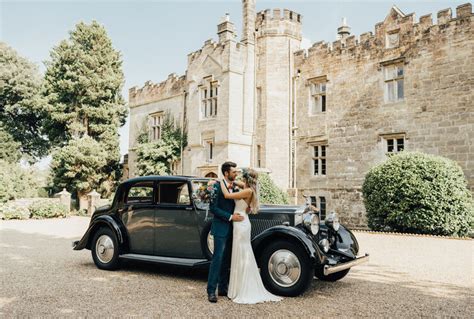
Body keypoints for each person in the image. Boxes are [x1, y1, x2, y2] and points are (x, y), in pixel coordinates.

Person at [220, 168, 283, 304]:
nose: (241, 179)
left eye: (243, 178)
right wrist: (233, 183)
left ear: (247, 179)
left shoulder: (248, 191)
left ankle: (243, 287)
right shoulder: (247, 188)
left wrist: (221, 182)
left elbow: (227, 195)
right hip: (242, 222)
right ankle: (237, 286)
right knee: (241, 252)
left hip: (240, 223)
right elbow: (237, 183)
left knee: (242, 253)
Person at [206, 161, 244, 303]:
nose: (236, 174)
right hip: (221, 226)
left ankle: (223, 288)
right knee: (218, 258)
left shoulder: (235, 186)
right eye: (234, 172)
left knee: (227, 259)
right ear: (226, 173)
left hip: (234, 229)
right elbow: (213, 208)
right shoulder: (216, 187)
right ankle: (211, 290)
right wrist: (230, 217)